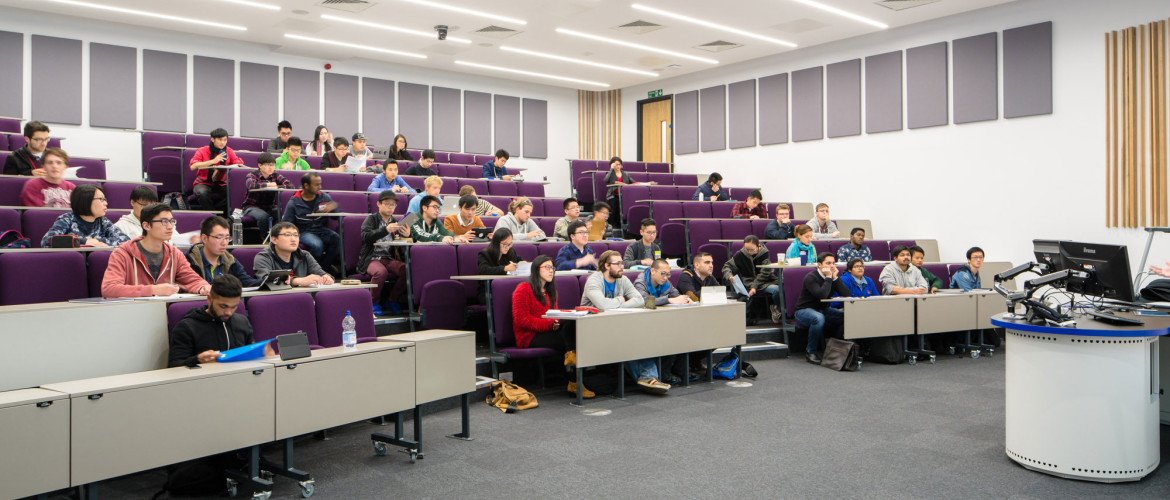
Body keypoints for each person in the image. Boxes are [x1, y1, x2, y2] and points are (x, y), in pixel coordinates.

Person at [581, 250, 670, 394]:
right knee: (627, 340)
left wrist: (618, 304)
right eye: (618, 264)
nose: (622, 266)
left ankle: (649, 378)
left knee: (638, 337)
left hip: (617, 326)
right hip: (594, 328)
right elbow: (602, 305)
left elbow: (640, 300)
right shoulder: (594, 280)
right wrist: (620, 300)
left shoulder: (622, 279)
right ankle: (648, 378)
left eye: (622, 262)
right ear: (606, 266)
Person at [512, 255, 593, 398]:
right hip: (529, 336)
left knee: (572, 324)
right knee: (571, 340)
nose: (551, 271)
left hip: (549, 331)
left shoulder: (551, 291)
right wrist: (551, 324)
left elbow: (552, 315)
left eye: (552, 268)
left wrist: (558, 320)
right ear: (537, 270)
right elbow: (522, 320)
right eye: (547, 267)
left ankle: (574, 372)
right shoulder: (523, 289)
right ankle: (574, 381)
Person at [101, 203, 211, 298]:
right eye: (164, 221)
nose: (170, 227)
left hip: (164, 312)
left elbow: (192, 279)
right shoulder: (122, 253)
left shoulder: (175, 253)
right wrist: (153, 290)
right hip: (133, 313)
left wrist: (203, 287)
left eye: (172, 221)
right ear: (146, 226)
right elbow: (109, 289)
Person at [169, 275, 272, 367]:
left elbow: (249, 355)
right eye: (223, 306)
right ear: (209, 299)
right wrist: (197, 360)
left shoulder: (242, 322)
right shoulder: (187, 327)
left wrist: (262, 354)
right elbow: (174, 367)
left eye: (234, 307)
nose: (228, 312)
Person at [359, 190, 411, 315]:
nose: (390, 207)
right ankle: (373, 302)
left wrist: (407, 236)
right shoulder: (371, 219)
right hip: (372, 258)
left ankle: (392, 299)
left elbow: (400, 244)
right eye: (387, 204)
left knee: (407, 270)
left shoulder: (396, 222)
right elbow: (365, 237)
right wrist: (385, 230)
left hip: (388, 257)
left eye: (392, 205)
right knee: (381, 272)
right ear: (378, 204)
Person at [793, 252, 851, 364]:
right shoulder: (811, 277)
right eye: (828, 263)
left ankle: (837, 349)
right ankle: (811, 352)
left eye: (833, 263)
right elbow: (822, 295)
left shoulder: (832, 277)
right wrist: (829, 277)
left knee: (848, 316)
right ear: (819, 264)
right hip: (804, 310)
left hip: (823, 310)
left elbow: (846, 294)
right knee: (818, 318)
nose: (832, 266)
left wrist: (835, 278)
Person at [281, 172, 341, 275]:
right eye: (316, 184)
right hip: (304, 231)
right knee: (317, 245)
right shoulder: (294, 202)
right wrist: (295, 235)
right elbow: (286, 224)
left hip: (321, 229)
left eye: (320, 184)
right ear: (306, 186)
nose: (320, 187)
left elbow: (335, 217)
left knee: (336, 238)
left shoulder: (324, 197)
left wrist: (333, 208)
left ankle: (322, 269)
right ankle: (310, 269)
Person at [41, 185, 128, 247]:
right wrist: (85, 241)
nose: (106, 203)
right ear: (86, 200)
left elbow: (125, 240)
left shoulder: (103, 221)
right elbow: (47, 240)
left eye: (105, 199)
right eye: (101, 199)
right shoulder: (67, 219)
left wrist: (96, 242)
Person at [186, 216, 262, 287]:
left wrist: (269, 282)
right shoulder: (189, 260)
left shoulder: (229, 260)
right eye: (219, 237)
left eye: (227, 238)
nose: (224, 243)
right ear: (204, 238)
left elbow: (247, 282)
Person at [253, 222, 335, 286]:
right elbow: (265, 280)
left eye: (296, 235)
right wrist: (297, 281)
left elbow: (321, 273)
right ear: (274, 239)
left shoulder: (304, 255)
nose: (293, 239)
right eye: (287, 235)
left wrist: (326, 278)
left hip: (301, 299)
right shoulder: (263, 257)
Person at [723, 235, 782, 324]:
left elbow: (765, 273)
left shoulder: (764, 253)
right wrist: (729, 276)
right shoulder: (740, 254)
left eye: (752, 249)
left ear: (758, 246)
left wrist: (754, 287)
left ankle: (776, 308)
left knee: (777, 289)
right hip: (749, 282)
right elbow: (727, 266)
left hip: (765, 281)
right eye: (747, 249)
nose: (749, 252)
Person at [114, 186, 199, 245]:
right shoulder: (121, 226)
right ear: (132, 202)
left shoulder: (163, 221)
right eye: (144, 205)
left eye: (152, 205)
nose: (148, 209)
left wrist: (189, 240)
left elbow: (176, 240)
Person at [188, 128, 242, 214]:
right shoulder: (202, 150)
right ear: (212, 139)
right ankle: (213, 217)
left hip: (221, 183)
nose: (223, 142)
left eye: (225, 140)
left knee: (235, 193)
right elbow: (193, 166)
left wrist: (230, 166)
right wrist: (213, 161)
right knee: (202, 192)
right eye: (220, 140)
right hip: (203, 183)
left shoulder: (229, 151)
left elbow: (239, 164)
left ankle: (218, 213)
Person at [241, 152, 293, 235]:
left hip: (269, 207)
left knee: (281, 212)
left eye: (272, 165)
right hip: (251, 207)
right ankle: (266, 239)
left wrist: (277, 186)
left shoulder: (275, 175)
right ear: (260, 165)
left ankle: (279, 236)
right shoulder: (252, 175)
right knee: (263, 216)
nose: (270, 168)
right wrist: (268, 185)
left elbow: (290, 185)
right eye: (267, 165)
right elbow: (251, 185)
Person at [601, 156, 633, 226]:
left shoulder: (625, 174)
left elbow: (632, 182)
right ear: (612, 165)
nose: (618, 166)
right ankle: (613, 225)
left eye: (619, 164)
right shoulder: (610, 173)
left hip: (624, 195)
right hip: (612, 195)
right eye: (616, 164)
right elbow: (605, 180)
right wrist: (611, 169)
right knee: (615, 204)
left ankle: (621, 224)